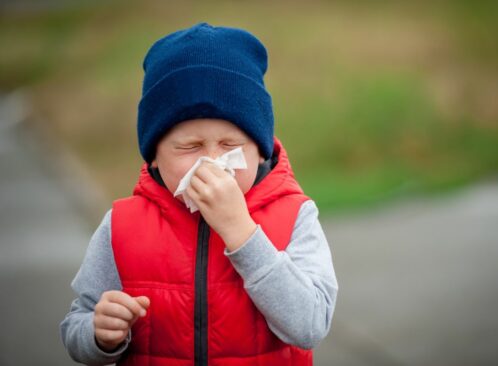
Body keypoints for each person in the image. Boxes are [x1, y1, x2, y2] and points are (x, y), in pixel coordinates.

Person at [60, 22, 338, 366]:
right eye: (190, 146)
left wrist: (241, 231)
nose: (212, 162)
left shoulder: (295, 215)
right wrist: (98, 334)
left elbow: (310, 325)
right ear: (155, 158)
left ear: (260, 151)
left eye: (230, 145)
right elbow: (75, 326)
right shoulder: (122, 227)